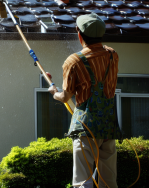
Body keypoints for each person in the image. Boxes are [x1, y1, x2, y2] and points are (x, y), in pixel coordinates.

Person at [48, 13, 122, 188]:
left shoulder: (74, 61)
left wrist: (54, 92)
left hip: (86, 128)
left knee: (83, 182)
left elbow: (65, 96)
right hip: (108, 126)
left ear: (78, 33)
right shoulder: (112, 55)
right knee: (109, 181)